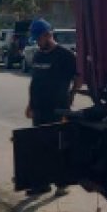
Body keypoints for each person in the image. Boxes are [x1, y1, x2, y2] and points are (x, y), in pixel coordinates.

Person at [24, 18, 80, 196]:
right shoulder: (39, 54)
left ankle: (61, 184)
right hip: (39, 108)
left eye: (39, 39)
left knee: (58, 145)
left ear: (48, 35)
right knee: (40, 146)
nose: (38, 43)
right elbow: (35, 82)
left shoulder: (65, 55)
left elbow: (79, 76)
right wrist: (30, 104)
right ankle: (41, 184)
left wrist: (72, 94)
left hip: (58, 108)